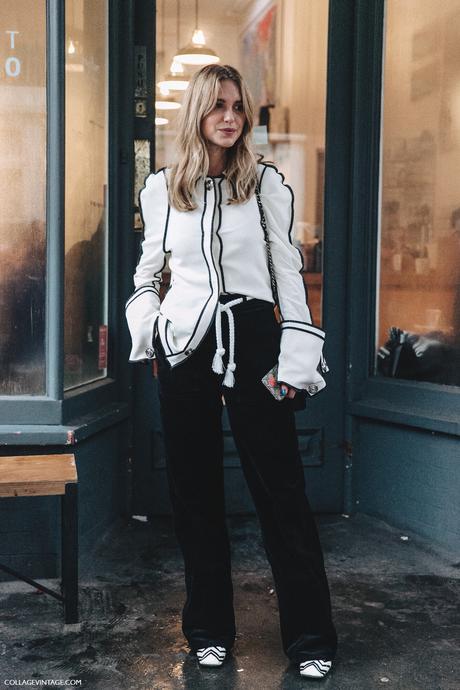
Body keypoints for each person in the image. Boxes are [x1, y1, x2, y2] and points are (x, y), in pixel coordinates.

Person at [125, 64, 338, 679]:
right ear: (197, 112)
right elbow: (146, 276)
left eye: (238, 107)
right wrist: (155, 330)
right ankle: (208, 632)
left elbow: (288, 276)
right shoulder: (165, 188)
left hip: (253, 339)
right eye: (218, 105)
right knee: (194, 494)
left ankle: (310, 638)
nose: (230, 116)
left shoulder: (265, 184)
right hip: (186, 343)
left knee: (281, 492)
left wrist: (295, 355)